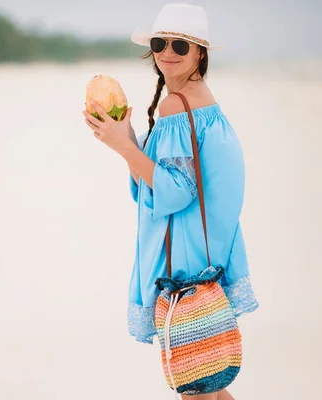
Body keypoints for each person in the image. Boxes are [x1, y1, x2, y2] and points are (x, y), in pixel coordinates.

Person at [82, 3, 259, 400]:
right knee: (210, 384)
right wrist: (127, 140)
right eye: (160, 42)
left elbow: (176, 191)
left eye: (181, 45)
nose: (167, 52)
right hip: (208, 257)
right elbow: (177, 179)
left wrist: (123, 149)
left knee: (195, 387)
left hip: (185, 266)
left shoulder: (176, 106)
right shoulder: (202, 102)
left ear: (200, 53)